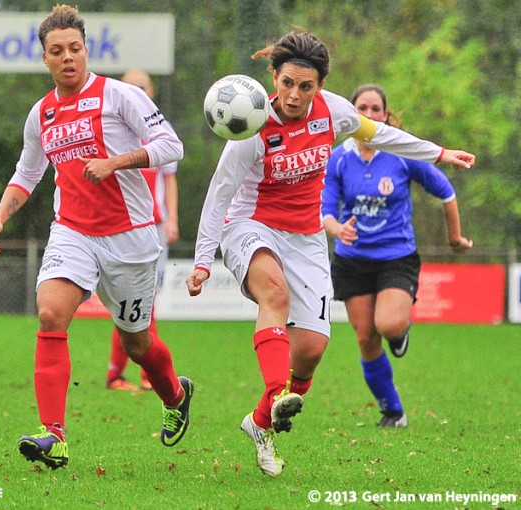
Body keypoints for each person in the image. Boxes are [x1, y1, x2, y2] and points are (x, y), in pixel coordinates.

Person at [186, 32, 475, 477]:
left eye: (306, 86)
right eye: (286, 84)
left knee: (312, 351)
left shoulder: (335, 112)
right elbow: (219, 195)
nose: (294, 95)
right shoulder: (250, 126)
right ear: (274, 78)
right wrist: (204, 260)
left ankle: (260, 423)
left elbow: (383, 135)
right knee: (275, 296)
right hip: (251, 225)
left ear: (319, 85)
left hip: (305, 238)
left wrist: (438, 153)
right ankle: (276, 392)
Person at [0, 4, 193, 470]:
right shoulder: (42, 113)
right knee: (52, 312)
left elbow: (172, 145)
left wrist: (117, 162)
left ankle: (175, 395)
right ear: (45, 58)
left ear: (86, 50)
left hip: (131, 239)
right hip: (72, 233)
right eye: (57, 51)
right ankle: (54, 435)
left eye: (75, 48)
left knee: (137, 346)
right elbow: (27, 173)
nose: (68, 57)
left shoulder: (120, 97)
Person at [322, 84, 473, 428]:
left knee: (386, 324)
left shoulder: (402, 154)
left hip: (396, 257)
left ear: (386, 116)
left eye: (377, 109)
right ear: (351, 115)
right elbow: (326, 209)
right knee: (365, 338)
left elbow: (446, 192)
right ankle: (393, 411)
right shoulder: (338, 158)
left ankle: (400, 331)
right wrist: (336, 229)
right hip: (352, 259)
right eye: (363, 108)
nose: (370, 115)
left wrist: (455, 239)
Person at [105, 68, 179, 392]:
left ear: (152, 92)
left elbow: (168, 178)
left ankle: (126, 373)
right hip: (121, 226)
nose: (137, 92)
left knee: (142, 301)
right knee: (133, 301)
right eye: (130, 88)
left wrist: (172, 218)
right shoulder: (113, 130)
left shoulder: (161, 132)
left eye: (142, 87)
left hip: (154, 227)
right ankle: (133, 374)